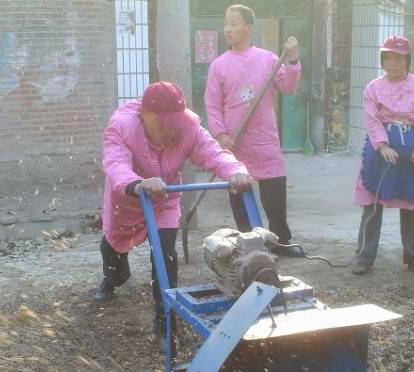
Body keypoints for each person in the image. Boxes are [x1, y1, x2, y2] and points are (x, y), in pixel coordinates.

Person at [89, 81, 253, 339]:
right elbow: (115, 163)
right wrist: (138, 183)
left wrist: (237, 171)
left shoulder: (188, 129)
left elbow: (214, 153)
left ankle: (165, 323)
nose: (171, 130)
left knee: (165, 256)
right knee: (113, 247)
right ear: (144, 114)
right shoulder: (122, 127)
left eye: (175, 121)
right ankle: (112, 280)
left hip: (164, 199)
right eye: (164, 122)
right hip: (128, 200)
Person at [204, 4, 304, 257]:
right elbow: (212, 104)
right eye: (226, 22)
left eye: (234, 23)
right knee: (240, 197)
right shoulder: (218, 65)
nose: (228, 28)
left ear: (249, 28)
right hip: (235, 143)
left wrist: (292, 59)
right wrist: (221, 135)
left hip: (265, 139)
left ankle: (281, 241)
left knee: (274, 196)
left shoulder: (268, 59)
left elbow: (289, 86)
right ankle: (249, 245)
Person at [352, 35, 414, 275]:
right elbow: (372, 119)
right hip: (382, 152)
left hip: (413, 154)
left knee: (411, 205)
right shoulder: (373, 88)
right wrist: (382, 146)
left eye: (398, 58)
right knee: (372, 204)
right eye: (388, 57)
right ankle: (364, 256)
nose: (392, 63)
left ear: (407, 60)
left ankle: (413, 256)